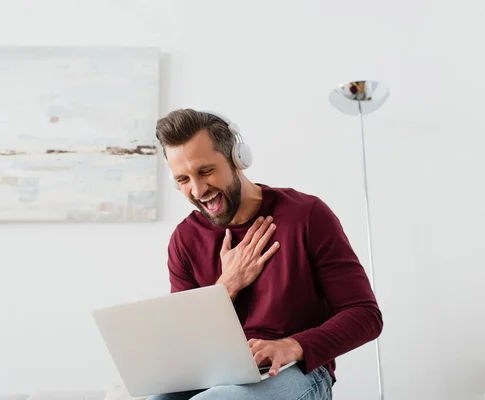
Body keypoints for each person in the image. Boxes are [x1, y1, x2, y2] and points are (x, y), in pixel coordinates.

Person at [148, 109, 383, 400]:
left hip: (297, 370)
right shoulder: (185, 239)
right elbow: (186, 342)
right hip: (219, 371)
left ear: (237, 159)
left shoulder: (306, 215)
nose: (197, 189)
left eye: (206, 171)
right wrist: (227, 285)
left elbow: (365, 316)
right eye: (182, 179)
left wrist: (291, 346)